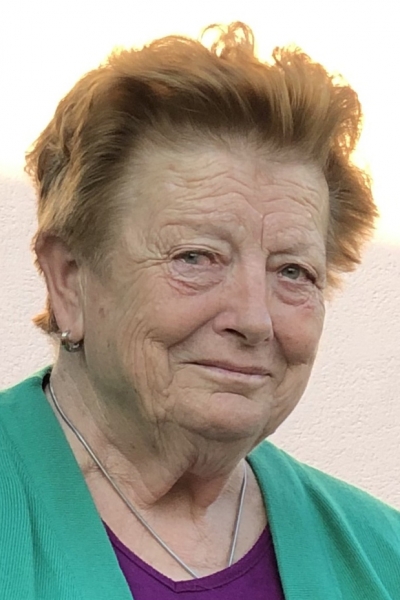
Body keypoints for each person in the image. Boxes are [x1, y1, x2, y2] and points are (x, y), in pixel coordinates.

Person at [0, 21, 399, 600]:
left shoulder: (384, 560)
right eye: (196, 258)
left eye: (293, 271)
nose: (255, 320)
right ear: (70, 280)